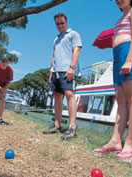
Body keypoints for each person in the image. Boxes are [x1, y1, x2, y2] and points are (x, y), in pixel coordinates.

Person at [92, 0, 132, 163]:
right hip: (117, 56)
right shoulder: (119, 19)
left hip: (128, 54)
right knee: (121, 101)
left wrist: (129, 60)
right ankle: (116, 141)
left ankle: (130, 144)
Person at [41, 12, 83, 140]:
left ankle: (71, 127)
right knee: (57, 95)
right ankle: (57, 125)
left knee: (69, 95)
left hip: (68, 70)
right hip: (56, 72)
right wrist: (51, 72)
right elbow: (54, 56)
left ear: (66, 22)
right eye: (57, 24)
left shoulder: (73, 34)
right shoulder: (56, 39)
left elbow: (77, 50)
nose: (60, 26)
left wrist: (72, 68)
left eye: (62, 23)